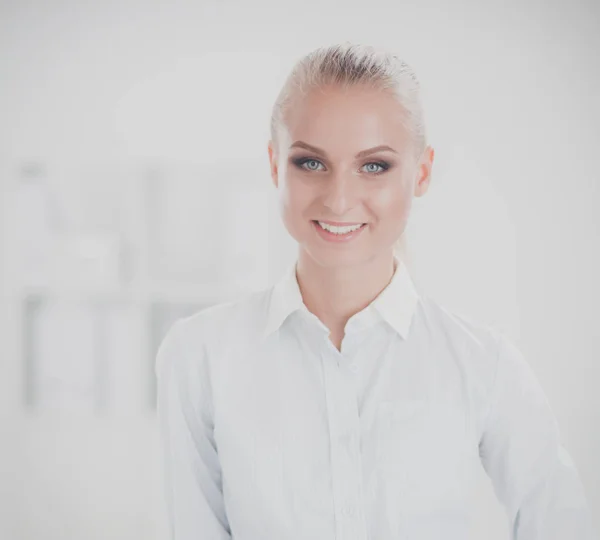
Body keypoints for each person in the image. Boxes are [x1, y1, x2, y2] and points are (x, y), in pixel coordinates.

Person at [154, 42, 596, 540]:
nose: (339, 199)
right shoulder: (198, 356)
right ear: (276, 166)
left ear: (422, 172)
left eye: (374, 166)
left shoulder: (483, 364)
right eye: (311, 163)